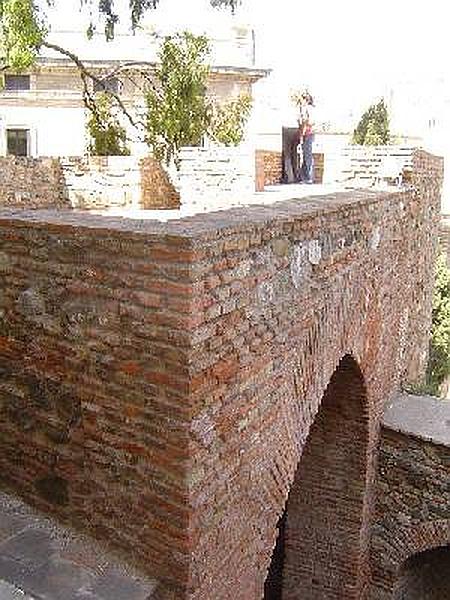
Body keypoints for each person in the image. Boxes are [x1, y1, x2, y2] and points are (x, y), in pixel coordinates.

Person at [298, 92, 315, 184]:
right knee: (306, 155)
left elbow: (306, 121)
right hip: (310, 133)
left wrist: (302, 134)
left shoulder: (307, 109)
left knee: (307, 156)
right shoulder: (312, 109)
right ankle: (306, 177)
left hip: (307, 133)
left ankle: (309, 177)